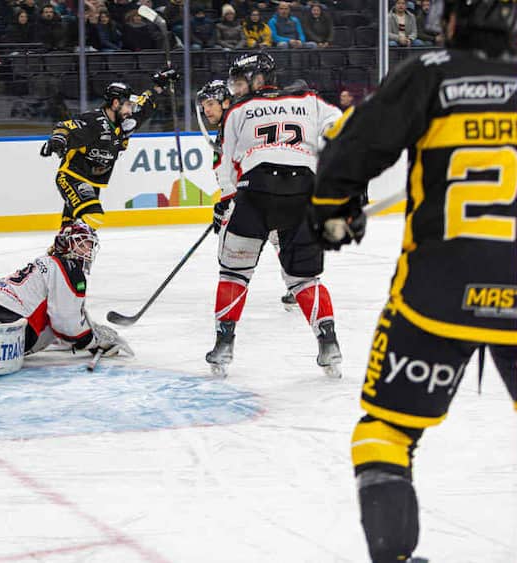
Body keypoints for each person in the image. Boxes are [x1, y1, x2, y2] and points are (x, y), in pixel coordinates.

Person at [310, 2, 517, 561]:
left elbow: (351, 147)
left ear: (451, 22)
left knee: (384, 433)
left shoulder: (430, 73)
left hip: (436, 295)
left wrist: (334, 211)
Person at [207, 52, 343, 377]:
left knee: (234, 273)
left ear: (257, 78)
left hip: (257, 191)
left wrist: (226, 201)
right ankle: (330, 344)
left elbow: (224, 163)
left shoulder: (238, 110)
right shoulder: (308, 99)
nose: (237, 89)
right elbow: (340, 125)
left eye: (241, 81)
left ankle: (224, 345)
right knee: (304, 279)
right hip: (303, 192)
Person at [0, 221, 130, 376]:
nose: (88, 250)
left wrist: (84, 332)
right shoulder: (69, 268)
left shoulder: (47, 261)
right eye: (82, 243)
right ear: (65, 243)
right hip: (9, 317)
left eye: (90, 245)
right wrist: (93, 340)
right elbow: (66, 323)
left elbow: (56, 320)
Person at [200, 76, 296, 311]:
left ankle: (233, 293)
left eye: (210, 104)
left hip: (260, 193)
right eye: (204, 107)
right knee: (277, 236)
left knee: (240, 246)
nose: (206, 111)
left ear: (224, 102)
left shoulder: (239, 122)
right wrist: (225, 200)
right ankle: (296, 283)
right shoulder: (231, 125)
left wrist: (227, 202)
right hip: (260, 194)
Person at [40, 69, 179, 230]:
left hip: (92, 182)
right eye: (127, 105)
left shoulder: (126, 124)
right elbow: (66, 127)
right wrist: (58, 139)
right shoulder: (95, 121)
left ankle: (59, 253)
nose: (130, 110)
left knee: (75, 229)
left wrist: (159, 85)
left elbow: (144, 104)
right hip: (72, 176)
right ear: (115, 104)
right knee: (93, 217)